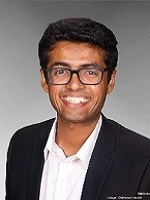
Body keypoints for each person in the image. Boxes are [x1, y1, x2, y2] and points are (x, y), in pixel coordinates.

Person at [5, 18, 150, 200]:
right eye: (60, 71)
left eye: (90, 72)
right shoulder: (22, 144)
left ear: (110, 81)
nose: (74, 85)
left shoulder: (143, 159)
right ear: (44, 79)